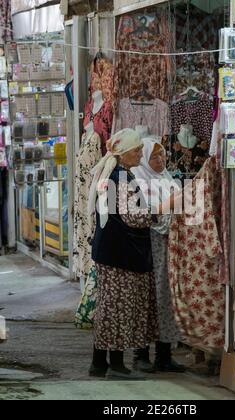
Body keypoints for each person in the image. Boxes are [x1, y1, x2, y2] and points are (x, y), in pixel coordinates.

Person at [88, 129, 160, 380]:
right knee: (116, 307)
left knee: (111, 306)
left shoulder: (113, 174)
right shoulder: (121, 178)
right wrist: (158, 210)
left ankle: (104, 363)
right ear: (125, 152)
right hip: (120, 254)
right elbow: (132, 216)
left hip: (111, 251)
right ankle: (108, 364)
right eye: (137, 149)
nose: (141, 152)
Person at [131, 138, 185, 373]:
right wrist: (171, 204)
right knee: (148, 300)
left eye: (162, 155)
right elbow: (146, 216)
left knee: (167, 299)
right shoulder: (137, 181)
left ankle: (165, 354)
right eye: (154, 156)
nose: (160, 160)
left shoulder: (166, 179)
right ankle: (141, 355)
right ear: (144, 159)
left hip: (169, 249)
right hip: (148, 249)